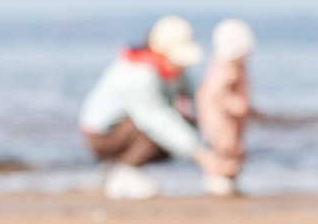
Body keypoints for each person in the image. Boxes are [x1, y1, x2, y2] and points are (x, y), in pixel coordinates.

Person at [77, 16, 238, 200]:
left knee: (183, 125)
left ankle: (114, 172)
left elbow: (198, 101)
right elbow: (156, 120)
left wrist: (218, 127)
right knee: (162, 129)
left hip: (131, 126)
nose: (182, 66)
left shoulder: (176, 72)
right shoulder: (139, 75)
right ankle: (124, 173)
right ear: (160, 53)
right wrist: (202, 156)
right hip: (103, 136)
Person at [196, 18, 255, 199]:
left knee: (233, 147)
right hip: (219, 121)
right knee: (223, 147)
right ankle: (217, 179)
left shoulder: (236, 68)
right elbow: (216, 95)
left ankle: (229, 178)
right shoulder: (222, 70)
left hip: (230, 120)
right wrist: (236, 104)